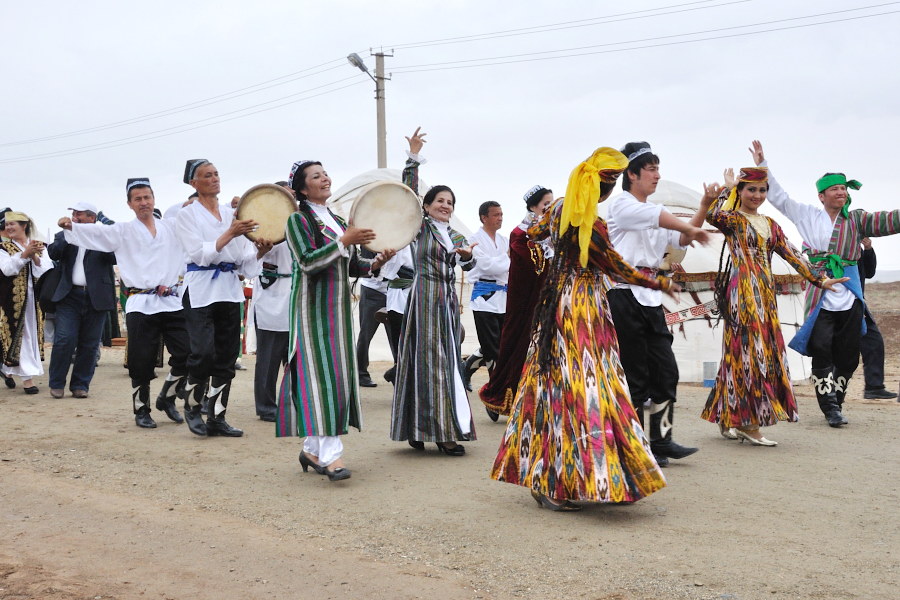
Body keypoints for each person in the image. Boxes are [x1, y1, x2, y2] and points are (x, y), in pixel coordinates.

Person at [491, 147, 674, 510]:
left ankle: (593, 477)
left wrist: (552, 264)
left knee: (559, 390)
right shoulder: (593, 225)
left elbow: (531, 234)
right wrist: (659, 284)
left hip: (555, 307)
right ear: (605, 191)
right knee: (593, 390)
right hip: (585, 311)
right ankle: (568, 480)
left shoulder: (559, 209)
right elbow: (619, 268)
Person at [751, 141, 900, 427]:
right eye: (835, 189)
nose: (841, 193)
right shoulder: (807, 215)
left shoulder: (856, 220)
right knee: (821, 349)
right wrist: (763, 167)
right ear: (822, 196)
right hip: (820, 291)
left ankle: (838, 400)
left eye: (844, 189)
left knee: (848, 357)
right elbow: (779, 198)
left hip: (850, 295)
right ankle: (829, 408)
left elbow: (888, 220)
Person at [699, 168, 845, 445]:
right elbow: (712, 215)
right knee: (751, 355)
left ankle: (726, 415)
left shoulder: (770, 223)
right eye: (750, 189)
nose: (757, 195)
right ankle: (748, 423)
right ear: (740, 192)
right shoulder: (733, 220)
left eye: (762, 190)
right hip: (741, 293)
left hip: (765, 295)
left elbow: (792, 253)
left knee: (742, 353)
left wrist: (820, 279)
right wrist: (727, 189)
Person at [276, 159, 394, 482]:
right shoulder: (298, 222)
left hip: (338, 311)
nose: (325, 178)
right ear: (301, 188)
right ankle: (332, 455)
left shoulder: (339, 220)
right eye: (316, 176)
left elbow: (351, 266)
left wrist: (374, 264)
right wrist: (344, 241)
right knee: (323, 380)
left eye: (325, 173)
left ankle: (313, 449)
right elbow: (307, 262)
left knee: (335, 378)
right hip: (311, 311)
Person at [605, 141, 709, 466]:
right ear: (632, 174)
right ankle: (633, 447)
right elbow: (665, 222)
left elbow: (683, 238)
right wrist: (688, 225)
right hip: (622, 294)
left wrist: (704, 204)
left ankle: (660, 441)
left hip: (649, 297)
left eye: (657, 169)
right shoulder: (622, 207)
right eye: (651, 169)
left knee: (666, 370)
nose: (657, 175)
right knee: (635, 375)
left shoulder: (656, 214)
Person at [59, 178, 190, 429]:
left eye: (147, 197)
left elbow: (193, 209)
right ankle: (142, 409)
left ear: (154, 199)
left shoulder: (171, 226)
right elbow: (95, 233)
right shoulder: (122, 231)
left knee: (188, 353)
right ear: (129, 204)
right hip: (141, 302)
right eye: (138, 199)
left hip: (171, 301)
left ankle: (168, 397)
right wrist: (70, 227)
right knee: (142, 359)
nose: (144, 202)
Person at [390, 128, 478, 456]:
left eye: (450, 202)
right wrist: (413, 158)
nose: (445, 205)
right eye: (440, 200)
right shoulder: (421, 226)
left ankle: (422, 425)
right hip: (424, 297)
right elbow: (407, 195)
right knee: (429, 361)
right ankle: (440, 432)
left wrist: (469, 257)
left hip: (446, 301)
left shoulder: (454, 234)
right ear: (426, 206)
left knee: (448, 360)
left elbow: (468, 265)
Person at [177, 159, 271, 437]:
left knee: (227, 355)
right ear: (194, 183)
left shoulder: (234, 213)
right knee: (203, 352)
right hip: (201, 288)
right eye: (207, 175)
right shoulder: (187, 215)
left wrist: (260, 253)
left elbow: (244, 262)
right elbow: (198, 254)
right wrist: (230, 232)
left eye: (216, 174)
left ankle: (217, 415)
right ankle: (193, 408)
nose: (214, 179)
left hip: (229, 288)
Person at [478, 185, 553, 418]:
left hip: (543, 301)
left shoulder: (550, 231)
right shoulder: (520, 234)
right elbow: (533, 267)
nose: (549, 209)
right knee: (507, 347)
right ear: (533, 206)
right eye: (545, 205)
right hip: (519, 303)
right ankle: (503, 394)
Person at [47, 201, 117, 400]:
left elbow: (114, 257)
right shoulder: (64, 235)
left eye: (79, 214)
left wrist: (96, 238)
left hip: (97, 297)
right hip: (69, 296)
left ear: (92, 218)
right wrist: (69, 234)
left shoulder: (104, 236)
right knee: (64, 339)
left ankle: (80, 385)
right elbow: (53, 252)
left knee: (90, 343)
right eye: (74, 214)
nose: (75, 217)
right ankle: (57, 383)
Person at [461, 201, 510, 415]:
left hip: (504, 298)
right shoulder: (473, 240)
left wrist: (501, 262)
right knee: (493, 349)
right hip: (484, 299)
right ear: (484, 217)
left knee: (501, 346)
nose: (500, 218)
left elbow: (503, 268)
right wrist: (504, 260)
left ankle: (469, 364)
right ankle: (494, 396)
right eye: (496, 214)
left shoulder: (504, 240)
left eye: (501, 214)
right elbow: (487, 267)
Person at [0, 212, 51, 393]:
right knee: (20, 335)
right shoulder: (3, 248)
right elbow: (7, 269)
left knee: (30, 336)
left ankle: (9, 369)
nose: (9, 227)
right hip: (10, 302)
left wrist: (34, 256)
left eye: (13, 224)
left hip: (33, 300)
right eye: (7, 224)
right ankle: (27, 379)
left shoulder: (38, 246)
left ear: (24, 225)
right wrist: (24, 255)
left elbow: (45, 271)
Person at [253, 235, 293, 422]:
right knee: (268, 358)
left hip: (295, 292)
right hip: (272, 296)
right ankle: (266, 406)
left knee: (295, 356)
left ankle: (293, 401)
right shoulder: (264, 223)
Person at [858, 239, 897, 400]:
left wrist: (868, 249)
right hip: (835, 304)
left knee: (874, 342)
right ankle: (831, 392)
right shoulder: (834, 246)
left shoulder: (856, 250)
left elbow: (870, 272)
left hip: (858, 302)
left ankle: (874, 386)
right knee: (837, 347)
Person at [355, 249, 389, 388]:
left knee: (397, 336)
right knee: (366, 334)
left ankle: (398, 371)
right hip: (372, 290)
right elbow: (367, 265)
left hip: (393, 290)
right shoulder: (371, 236)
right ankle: (360, 373)